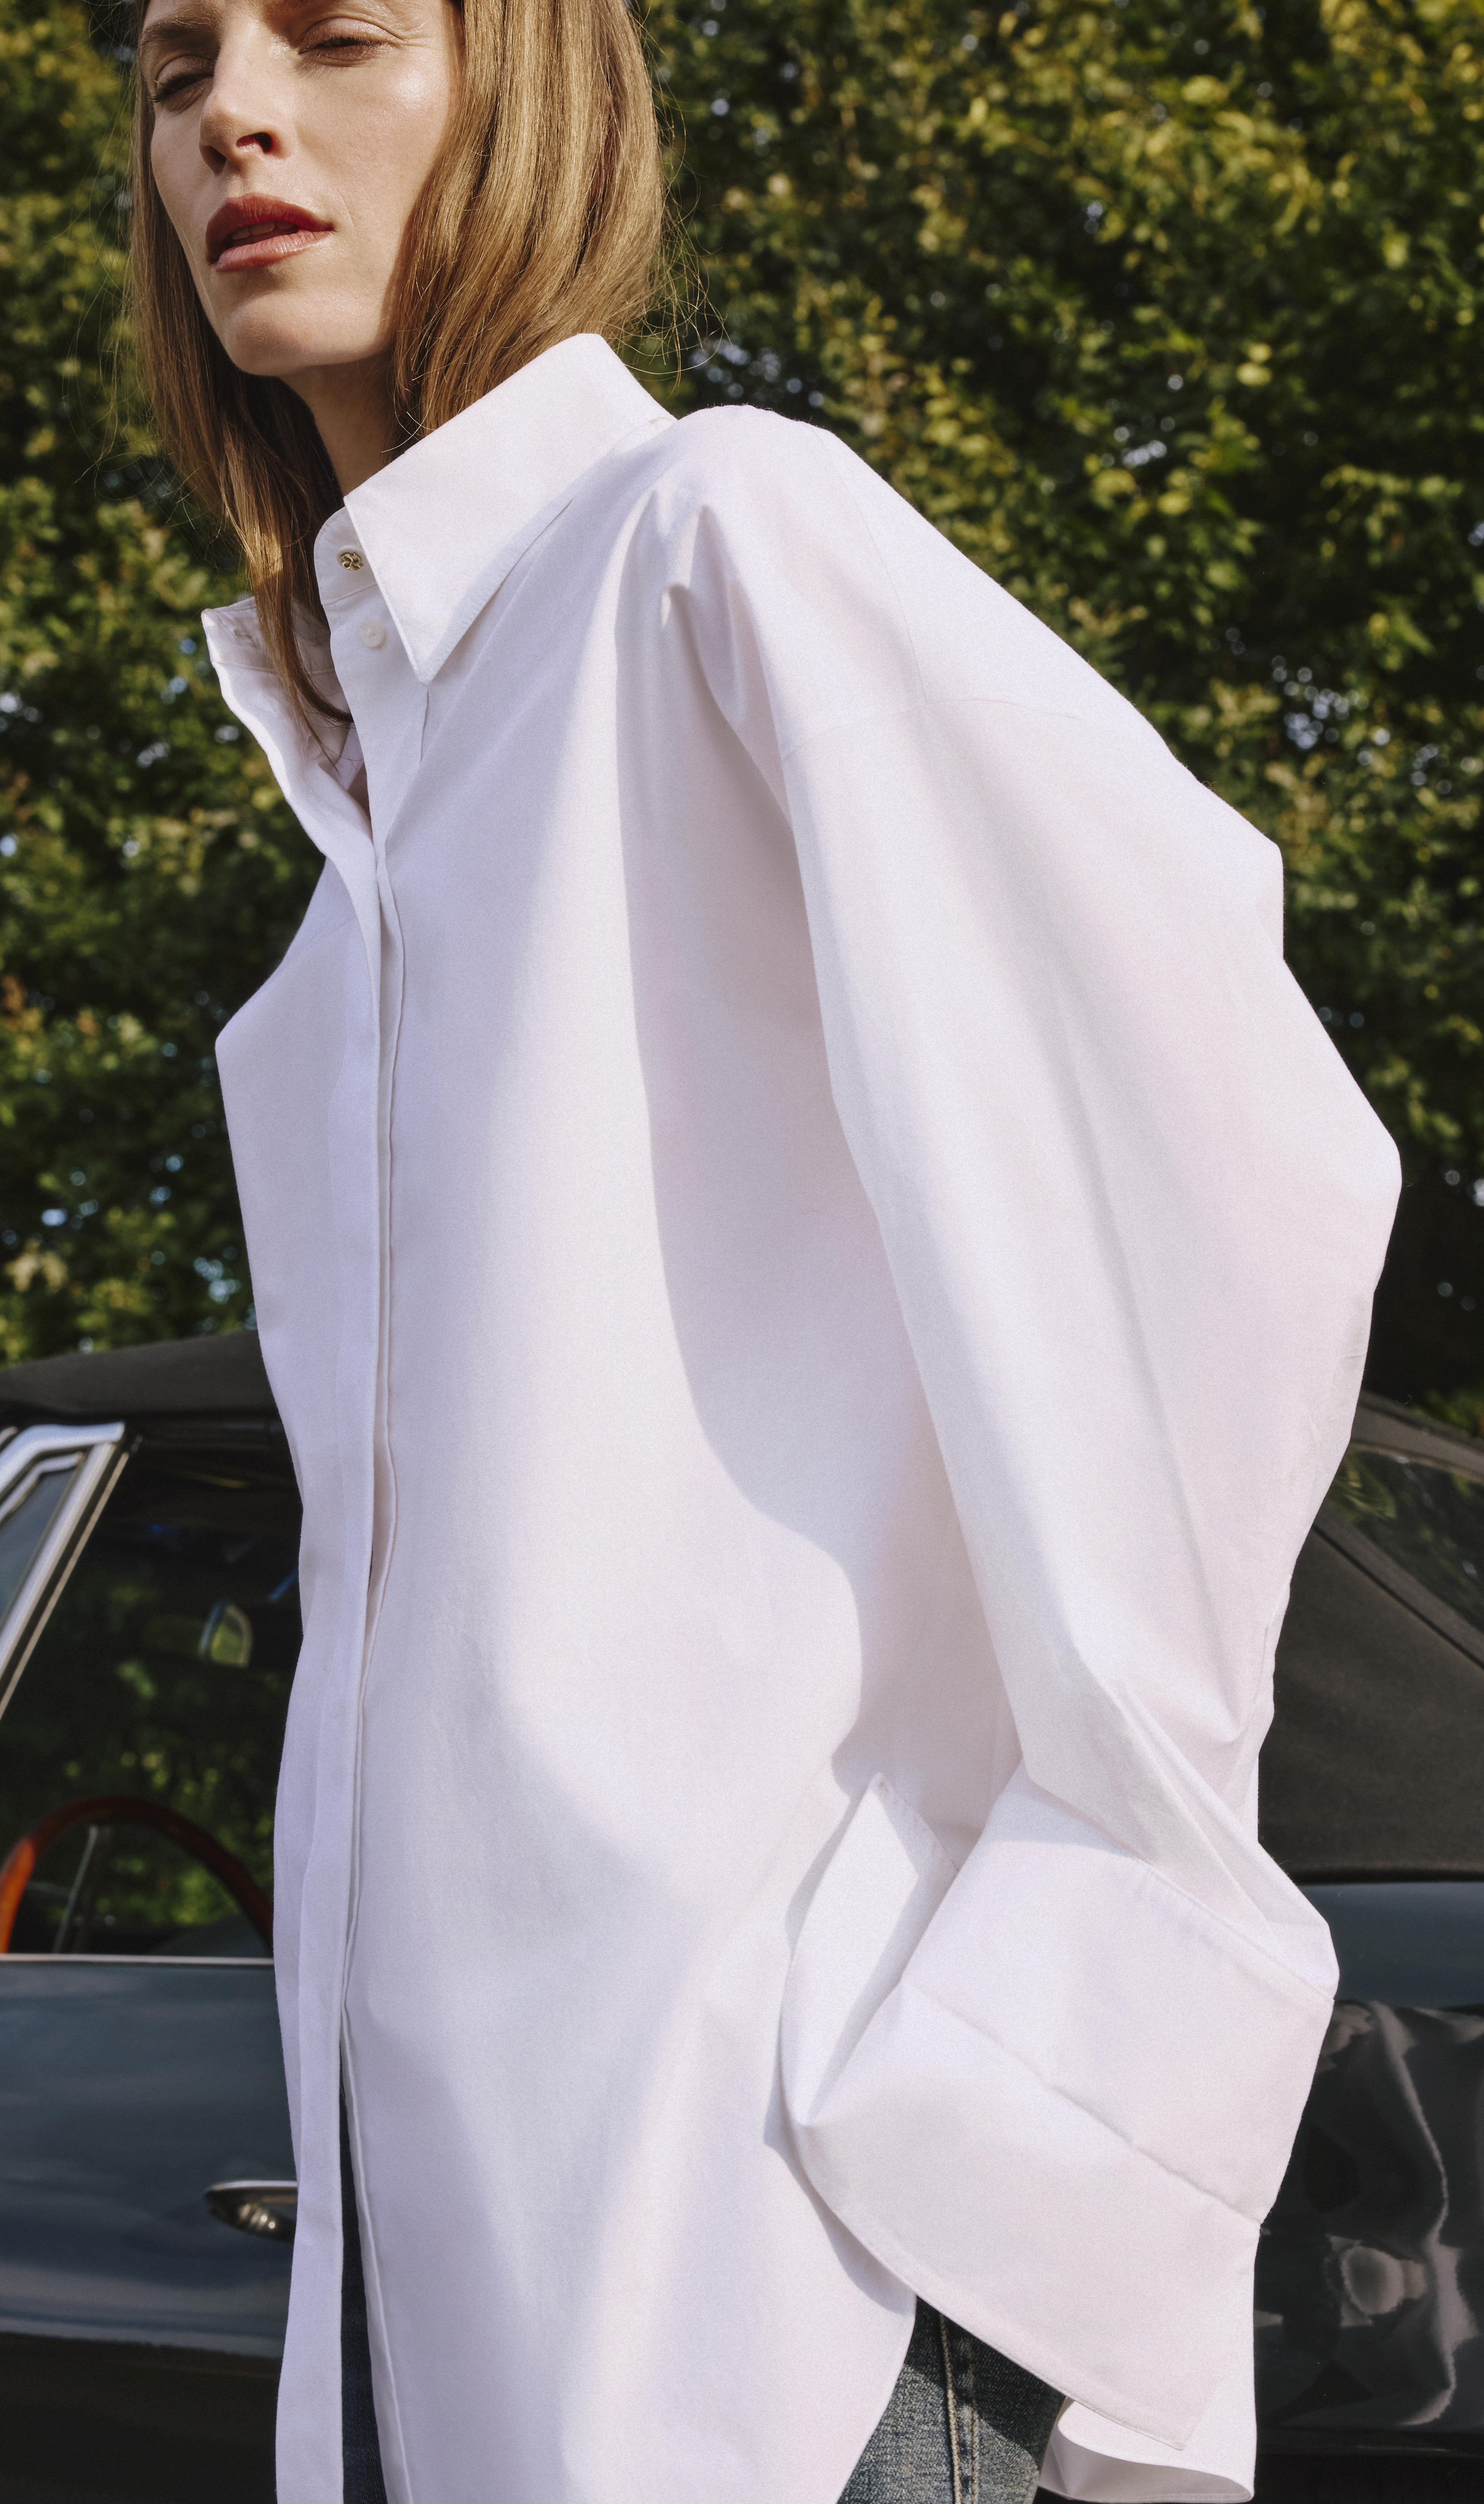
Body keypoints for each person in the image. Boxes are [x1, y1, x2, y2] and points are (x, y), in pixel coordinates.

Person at [130, 3, 1401, 2500]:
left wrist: (1067, 2006)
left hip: (783, 2278)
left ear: (528, 92)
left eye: (340, 36)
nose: (233, 116)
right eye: (172, 65)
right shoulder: (349, 907)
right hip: (441, 2292)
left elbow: (1231, 1155)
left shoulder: (717, 545)